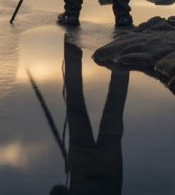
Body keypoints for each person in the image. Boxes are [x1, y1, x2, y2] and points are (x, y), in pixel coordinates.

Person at [50, 39, 129, 194]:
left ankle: (73, 21)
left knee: (115, 107)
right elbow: (56, 191)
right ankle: (121, 19)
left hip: (108, 175)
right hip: (81, 171)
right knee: (75, 101)